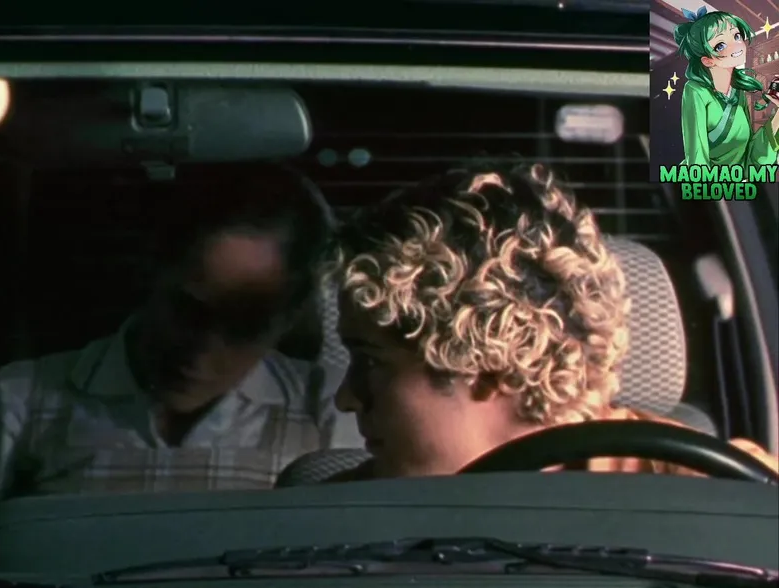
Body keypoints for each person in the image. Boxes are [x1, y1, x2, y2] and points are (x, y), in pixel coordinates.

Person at [327, 160, 778, 481]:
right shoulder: (342, 521)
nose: (345, 399)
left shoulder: (727, 492)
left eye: (372, 362)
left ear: (489, 369)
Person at [0, 163, 360, 501]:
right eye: (187, 309)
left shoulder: (328, 412)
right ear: (152, 270)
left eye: (244, 326)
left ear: (290, 318)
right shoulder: (19, 404)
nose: (201, 349)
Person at [672, 8, 779, 169]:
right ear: (707, 60)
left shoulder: (738, 91)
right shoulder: (695, 91)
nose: (737, 45)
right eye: (720, 45)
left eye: (736, 36)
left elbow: (751, 156)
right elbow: (696, 156)